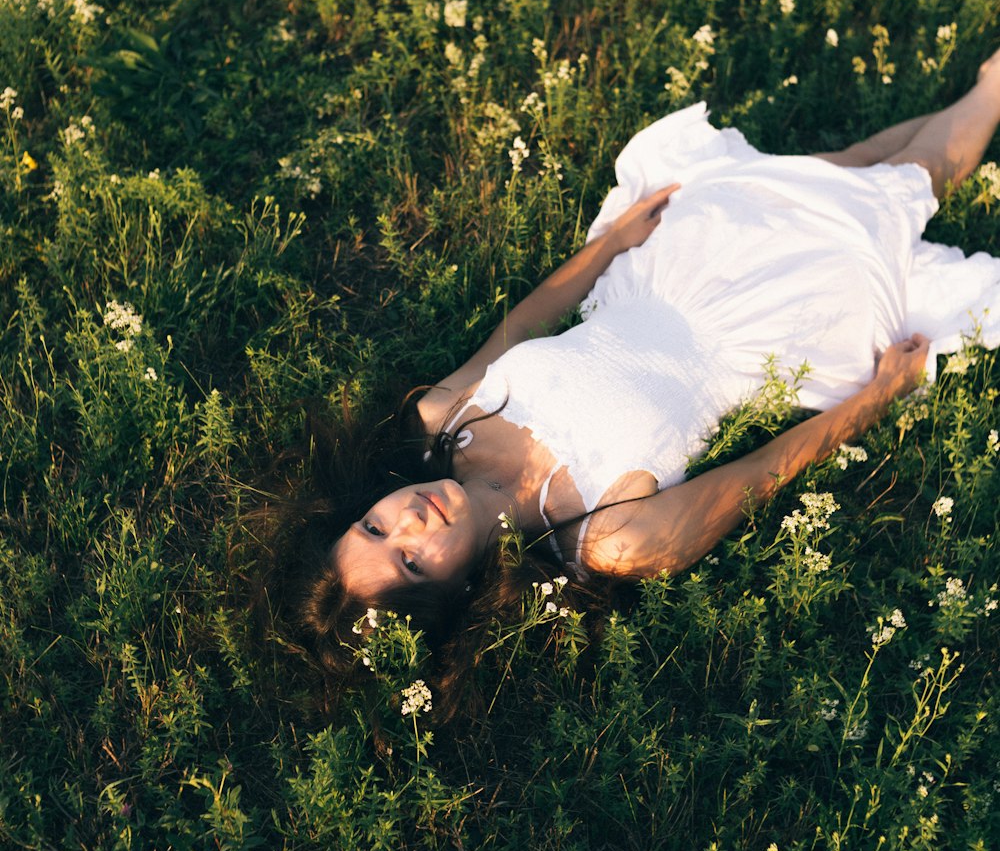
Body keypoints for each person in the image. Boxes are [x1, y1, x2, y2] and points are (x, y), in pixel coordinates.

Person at [248, 51, 1000, 725]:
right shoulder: (609, 540)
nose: (408, 521)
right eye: (412, 560)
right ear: (452, 591)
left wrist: (609, 244)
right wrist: (876, 396)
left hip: (668, 269)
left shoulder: (445, 421)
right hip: (774, 323)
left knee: (831, 171)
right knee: (907, 180)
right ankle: (989, 89)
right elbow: (759, 474)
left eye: (374, 529)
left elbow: (518, 325)